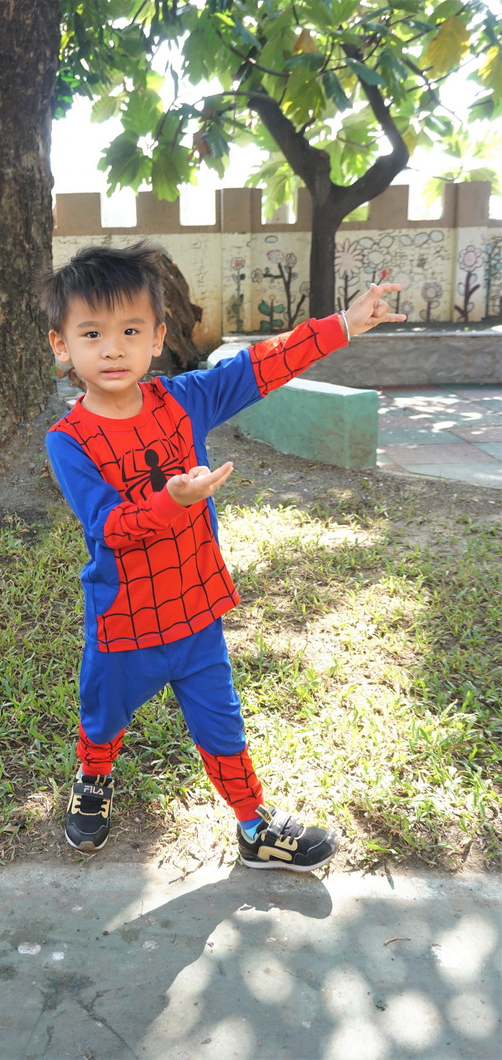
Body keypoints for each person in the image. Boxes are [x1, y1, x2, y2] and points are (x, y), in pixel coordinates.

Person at [41, 240, 405, 871]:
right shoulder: (68, 440)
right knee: (102, 716)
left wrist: (344, 324)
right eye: (92, 333)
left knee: (222, 726)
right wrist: (172, 500)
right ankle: (93, 780)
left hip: (196, 609)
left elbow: (261, 365)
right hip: (124, 621)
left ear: (158, 337)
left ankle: (254, 826)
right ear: (61, 345)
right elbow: (107, 526)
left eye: (131, 330)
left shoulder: (185, 400)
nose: (113, 348)